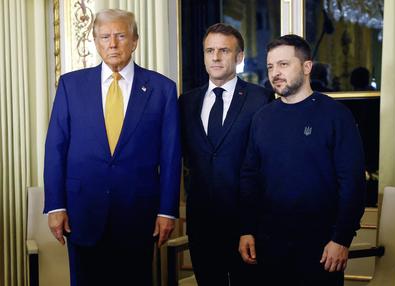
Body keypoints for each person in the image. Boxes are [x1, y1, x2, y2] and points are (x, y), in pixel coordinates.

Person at [44, 9, 181, 286]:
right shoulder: (71, 85)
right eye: (105, 37)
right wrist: (55, 205)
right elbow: (55, 148)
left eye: (120, 35)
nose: (113, 44)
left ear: (135, 41)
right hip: (83, 213)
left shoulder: (162, 89)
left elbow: (170, 155)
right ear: (95, 42)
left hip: (138, 215)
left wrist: (167, 210)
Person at [238, 34, 365, 285]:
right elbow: (249, 177)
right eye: (271, 66)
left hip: (321, 247)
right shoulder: (262, 117)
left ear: (307, 67)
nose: (275, 73)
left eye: (284, 64)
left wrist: (341, 239)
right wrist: (246, 229)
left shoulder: (336, 115)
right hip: (268, 245)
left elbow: (352, 183)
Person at [180, 23, 273, 286]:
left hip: (247, 227)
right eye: (210, 50)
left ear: (239, 56)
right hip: (201, 226)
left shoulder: (261, 99)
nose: (216, 57)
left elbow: (267, 167)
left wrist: (251, 227)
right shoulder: (186, 102)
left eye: (224, 50)